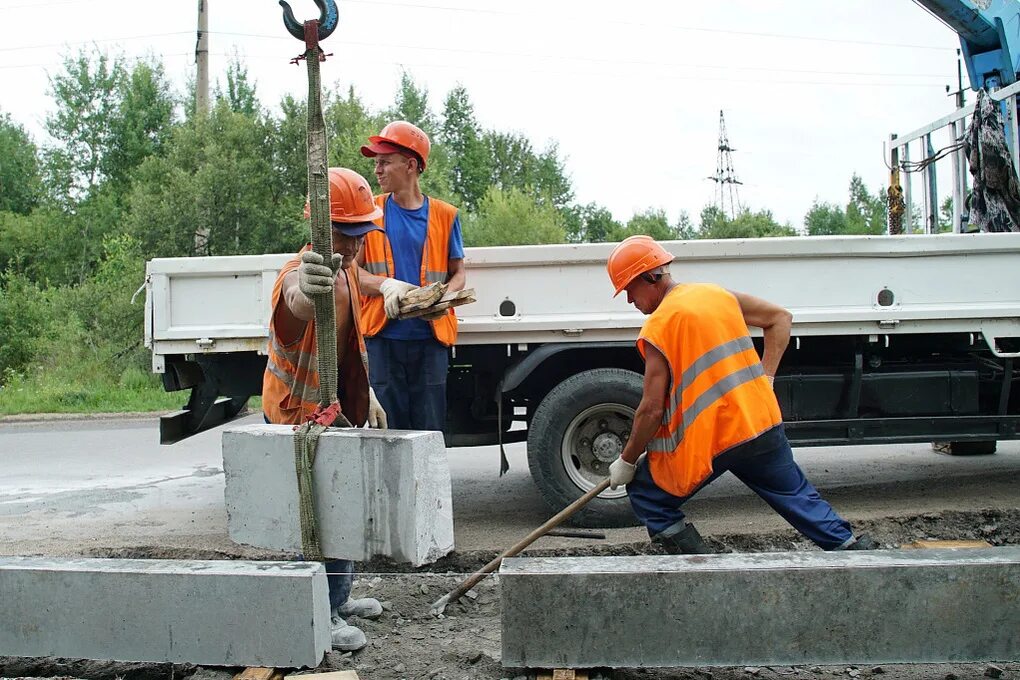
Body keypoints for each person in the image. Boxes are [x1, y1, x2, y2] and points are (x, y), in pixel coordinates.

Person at [604, 235, 878, 554]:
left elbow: (651, 410)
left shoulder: (659, 326)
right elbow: (780, 319)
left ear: (649, 277)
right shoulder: (717, 295)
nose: (628, 300)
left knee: (648, 495)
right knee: (797, 497)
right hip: (759, 423)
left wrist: (626, 460)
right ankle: (853, 550)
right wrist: (767, 376)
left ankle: (701, 569)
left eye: (628, 290)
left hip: (716, 438)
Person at [262, 167, 389, 651]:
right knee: (312, 519)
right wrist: (305, 293)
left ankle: (338, 596)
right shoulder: (299, 275)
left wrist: (367, 392)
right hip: (298, 419)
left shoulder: (348, 269)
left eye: (361, 234)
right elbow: (293, 305)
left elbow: (346, 343)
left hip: (333, 414)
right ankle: (316, 613)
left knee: (342, 507)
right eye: (344, 233)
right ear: (317, 226)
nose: (354, 246)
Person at [355, 120, 466, 432]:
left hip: (430, 340)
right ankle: (391, 484)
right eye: (376, 163)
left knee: (429, 430)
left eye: (384, 162)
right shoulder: (370, 212)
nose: (377, 170)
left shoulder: (446, 215)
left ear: (411, 165)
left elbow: (458, 273)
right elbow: (353, 272)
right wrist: (385, 285)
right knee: (388, 432)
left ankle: (426, 484)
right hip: (383, 338)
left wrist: (446, 295)